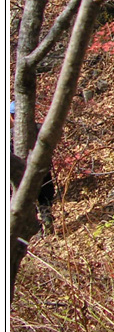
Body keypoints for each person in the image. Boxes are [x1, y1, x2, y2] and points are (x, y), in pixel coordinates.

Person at [9, 100, 55, 235]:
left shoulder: (9, 136)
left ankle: (37, 229)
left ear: (12, 116)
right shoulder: (40, 128)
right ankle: (47, 219)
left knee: (26, 201)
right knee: (45, 196)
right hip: (42, 170)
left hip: (20, 175)